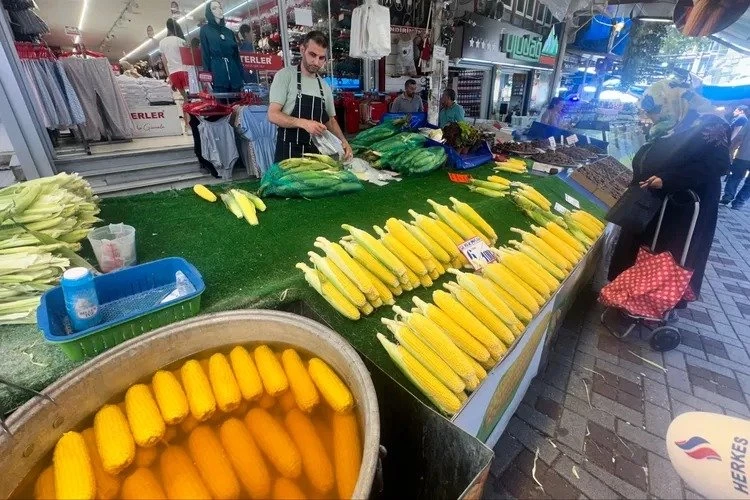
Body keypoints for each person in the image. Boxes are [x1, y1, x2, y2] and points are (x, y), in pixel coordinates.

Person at [608, 79, 730, 300]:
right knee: (639, 250)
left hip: (681, 209)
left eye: (656, 109)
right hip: (653, 203)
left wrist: (669, 179)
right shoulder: (674, 123)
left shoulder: (711, 123)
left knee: (665, 255)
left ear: (672, 100)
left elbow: (718, 165)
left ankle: (655, 301)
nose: (652, 117)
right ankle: (627, 295)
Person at [268, 31, 352, 162]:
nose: (316, 62)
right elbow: (273, 115)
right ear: (302, 50)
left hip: (317, 154)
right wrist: (303, 123)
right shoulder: (285, 76)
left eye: (321, 58)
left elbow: (330, 120)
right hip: (289, 153)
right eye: (312, 55)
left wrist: (343, 141)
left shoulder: (324, 86)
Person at [159, 19, 189, 129]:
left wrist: (170, 78)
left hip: (173, 74)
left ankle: (186, 125)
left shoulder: (162, 42)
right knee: (189, 99)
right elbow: (187, 59)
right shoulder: (180, 40)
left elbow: (165, 62)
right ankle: (191, 124)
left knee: (184, 99)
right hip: (184, 71)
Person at [720, 121, 750, 209]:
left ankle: (728, 196)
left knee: (735, 177)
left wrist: (731, 151)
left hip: (743, 156)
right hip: (743, 156)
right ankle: (739, 203)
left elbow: (739, 138)